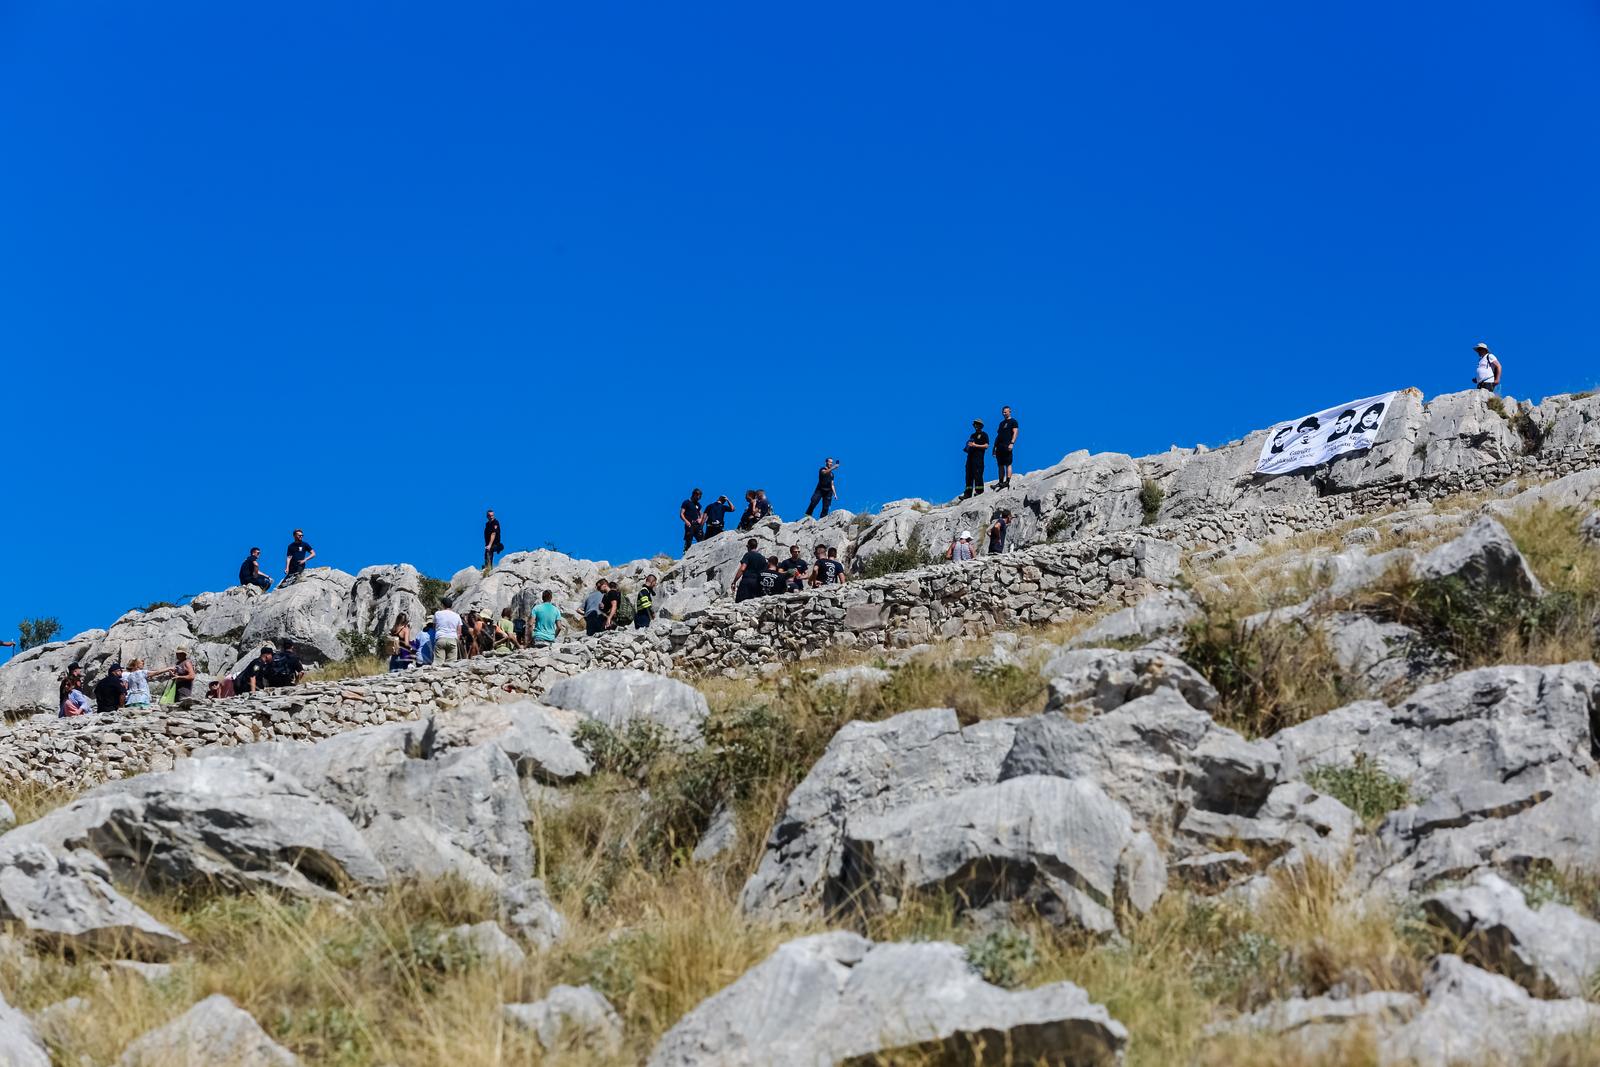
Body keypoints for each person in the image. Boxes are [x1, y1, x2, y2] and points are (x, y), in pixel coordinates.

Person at [731, 538, 769, 602]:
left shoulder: (748, 555)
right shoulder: (762, 558)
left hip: (747, 582)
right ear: (756, 546)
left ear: (748, 546)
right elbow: (764, 572)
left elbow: (742, 569)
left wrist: (734, 581)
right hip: (757, 583)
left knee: (740, 603)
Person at [994, 407, 1019, 490]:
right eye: (1003, 412)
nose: (1004, 413)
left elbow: (1015, 432)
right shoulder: (1001, 423)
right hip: (999, 446)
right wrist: (994, 448)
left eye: (1005, 412)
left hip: (1007, 445)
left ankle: (1007, 481)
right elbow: (998, 436)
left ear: (1010, 411)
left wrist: (1012, 443)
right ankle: (1000, 482)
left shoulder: (1013, 421)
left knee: (1008, 463)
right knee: (1000, 465)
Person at [963, 420, 989, 498]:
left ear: (981, 426)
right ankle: (967, 494)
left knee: (978, 474)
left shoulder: (984, 434)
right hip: (970, 457)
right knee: (968, 475)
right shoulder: (972, 435)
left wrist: (975, 445)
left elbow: (986, 446)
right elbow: (970, 445)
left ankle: (979, 491)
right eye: (975, 424)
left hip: (978, 458)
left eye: (977, 424)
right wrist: (968, 447)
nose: (975, 426)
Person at [434, 597, 463, 662]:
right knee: (451, 664)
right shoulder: (457, 615)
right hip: (452, 639)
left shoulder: (437, 614)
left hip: (440, 638)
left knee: (438, 663)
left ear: (442, 605)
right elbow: (459, 631)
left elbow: (435, 627)